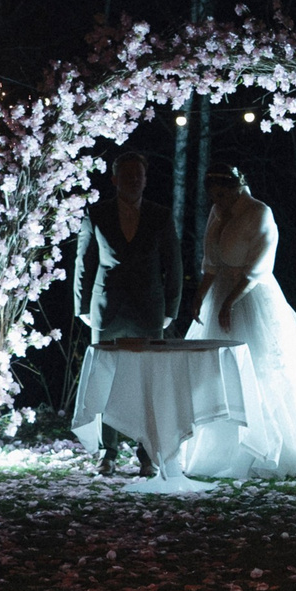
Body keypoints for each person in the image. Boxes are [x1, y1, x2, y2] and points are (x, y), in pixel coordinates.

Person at [182, 165, 296, 479]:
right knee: (215, 371)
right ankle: (216, 448)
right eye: (214, 196)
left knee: (258, 369)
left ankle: (265, 446)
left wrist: (230, 301)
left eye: (223, 194)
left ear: (237, 187)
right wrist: (201, 295)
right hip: (219, 294)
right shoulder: (217, 211)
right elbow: (211, 261)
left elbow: (259, 266)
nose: (219, 201)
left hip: (250, 296)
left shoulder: (259, 213)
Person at [71, 149, 182, 477]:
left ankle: (147, 454)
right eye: (128, 175)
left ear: (146, 180)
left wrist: (171, 310)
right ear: (115, 178)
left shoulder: (160, 215)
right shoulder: (97, 213)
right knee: (105, 381)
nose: (134, 180)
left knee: (149, 384)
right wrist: (81, 309)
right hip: (106, 309)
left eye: (140, 175)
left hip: (149, 309)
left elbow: (173, 264)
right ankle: (108, 453)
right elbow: (84, 262)